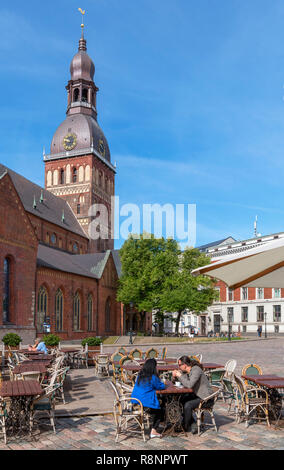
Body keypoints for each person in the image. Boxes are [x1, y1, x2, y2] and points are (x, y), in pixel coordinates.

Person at [172, 356, 213, 434]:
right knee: (180, 399)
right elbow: (178, 382)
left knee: (188, 405)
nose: (179, 367)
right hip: (197, 394)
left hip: (206, 398)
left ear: (185, 365)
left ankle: (185, 426)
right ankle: (193, 423)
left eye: (180, 365)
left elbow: (189, 384)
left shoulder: (196, 370)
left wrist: (180, 376)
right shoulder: (187, 371)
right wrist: (174, 376)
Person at [131, 358, 165, 438]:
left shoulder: (140, 375)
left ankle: (157, 425)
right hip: (144, 405)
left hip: (135, 403)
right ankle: (154, 431)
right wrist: (164, 382)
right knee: (161, 410)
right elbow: (161, 386)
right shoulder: (152, 377)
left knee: (159, 407)